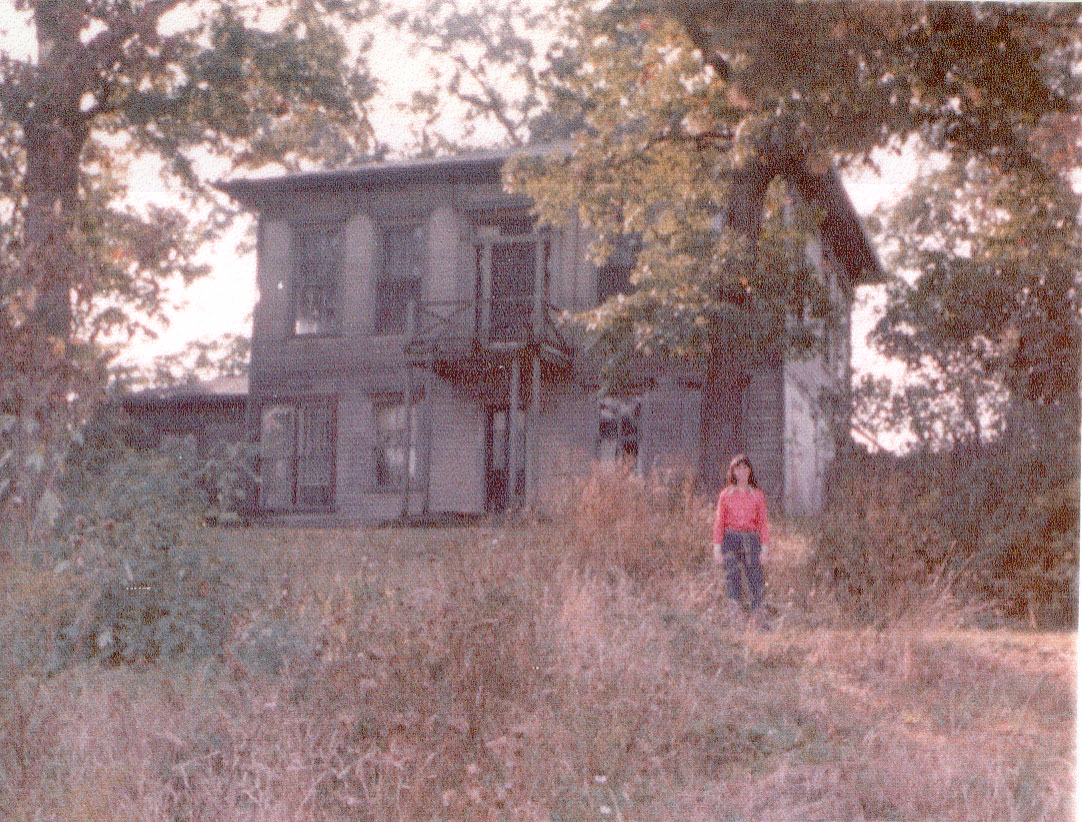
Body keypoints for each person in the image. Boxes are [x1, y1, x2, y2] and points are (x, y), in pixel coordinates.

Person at [712, 453, 770, 629]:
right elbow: (719, 523)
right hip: (730, 540)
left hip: (751, 540)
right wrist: (717, 548)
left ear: (750, 471)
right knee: (732, 579)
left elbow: (762, 524)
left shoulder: (757, 495)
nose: (742, 472)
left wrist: (765, 549)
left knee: (755, 580)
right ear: (733, 472)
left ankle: (760, 623)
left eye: (745, 468)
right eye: (738, 468)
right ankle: (736, 623)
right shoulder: (725, 495)